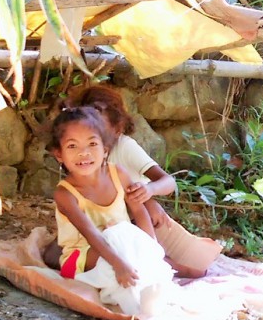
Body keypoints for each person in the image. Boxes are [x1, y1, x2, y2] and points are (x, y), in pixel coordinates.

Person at [78, 85, 222, 278]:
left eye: (101, 130)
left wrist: (149, 192)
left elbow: (168, 182)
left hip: (139, 215)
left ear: (117, 128)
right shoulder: (83, 154)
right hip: (107, 220)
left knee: (178, 259)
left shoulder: (125, 147)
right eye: (89, 131)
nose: (95, 139)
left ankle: (169, 266)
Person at [49, 106, 172, 302]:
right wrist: (119, 264)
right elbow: (91, 235)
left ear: (105, 149)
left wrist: (152, 251)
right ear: (59, 154)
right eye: (72, 146)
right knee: (119, 239)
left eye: (92, 144)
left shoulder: (118, 174)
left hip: (120, 246)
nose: (84, 153)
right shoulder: (65, 194)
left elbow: (140, 213)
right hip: (81, 257)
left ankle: (142, 278)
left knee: (132, 244)